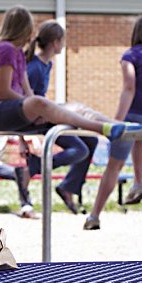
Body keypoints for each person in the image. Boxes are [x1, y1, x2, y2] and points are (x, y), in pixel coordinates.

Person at [0, 5, 142, 155]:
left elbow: (28, 91)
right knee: (40, 103)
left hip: (14, 110)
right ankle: (104, 129)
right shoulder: (4, 49)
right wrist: (37, 108)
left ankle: (117, 126)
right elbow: (3, 92)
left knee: (77, 107)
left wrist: (37, 110)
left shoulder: (18, 53)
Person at [84, 15, 142, 230]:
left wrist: (116, 122)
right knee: (139, 137)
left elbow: (129, 88)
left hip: (136, 119)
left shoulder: (131, 55)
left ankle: (94, 216)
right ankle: (138, 183)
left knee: (114, 166)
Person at [22, 19, 99, 214]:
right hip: (36, 118)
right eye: (63, 41)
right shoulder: (35, 67)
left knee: (90, 141)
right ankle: (35, 166)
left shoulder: (46, 65)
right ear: (56, 42)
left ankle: (69, 187)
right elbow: (24, 99)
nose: (64, 45)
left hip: (44, 114)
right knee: (79, 150)